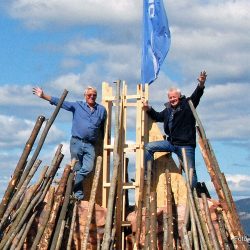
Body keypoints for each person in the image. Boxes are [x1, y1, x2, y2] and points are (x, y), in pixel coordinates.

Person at [32, 86, 107, 200]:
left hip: (90, 144)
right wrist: (43, 96)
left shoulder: (101, 110)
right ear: (85, 96)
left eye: (94, 95)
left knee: (88, 167)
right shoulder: (78, 106)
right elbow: (61, 102)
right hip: (76, 142)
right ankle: (78, 195)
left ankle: (72, 184)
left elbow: (102, 127)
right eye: (89, 95)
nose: (92, 97)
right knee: (76, 168)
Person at [143, 71, 207, 187]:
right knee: (148, 147)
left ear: (179, 97)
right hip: (171, 143)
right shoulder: (168, 110)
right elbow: (157, 116)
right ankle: (148, 175)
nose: (172, 99)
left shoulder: (187, 105)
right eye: (170, 98)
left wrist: (201, 84)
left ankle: (192, 197)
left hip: (185, 145)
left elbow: (197, 94)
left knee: (190, 172)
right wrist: (148, 108)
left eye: (174, 97)